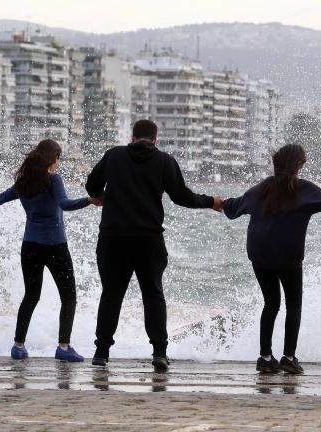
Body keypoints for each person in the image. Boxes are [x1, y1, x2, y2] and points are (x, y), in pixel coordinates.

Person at [223, 144, 321, 374]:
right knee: (293, 306)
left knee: (270, 304)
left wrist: (213, 202)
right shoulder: (303, 190)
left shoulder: (262, 188)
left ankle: (265, 357)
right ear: (298, 165)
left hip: (259, 256)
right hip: (287, 259)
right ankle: (289, 357)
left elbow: (234, 207)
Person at [85, 119, 224, 371]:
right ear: (155, 139)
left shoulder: (113, 156)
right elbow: (182, 197)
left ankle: (101, 353)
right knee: (153, 294)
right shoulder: (164, 161)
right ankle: (159, 352)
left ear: (132, 136)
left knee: (112, 294)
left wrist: (104, 197)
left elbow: (91, 186)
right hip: (149, 239)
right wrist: (210, 201)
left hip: (113, 237)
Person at [0, 139, 100, 362]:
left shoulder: (23, 183)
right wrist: (90, 200)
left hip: (30, 247)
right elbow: (65, 204)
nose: (58, 163)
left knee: (31, 296)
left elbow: (0, 198)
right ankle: (63, 348)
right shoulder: (53, 180)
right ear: (53, 158)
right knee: (69, 296)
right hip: (55, 247)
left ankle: (18, 346)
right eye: (58, 158)